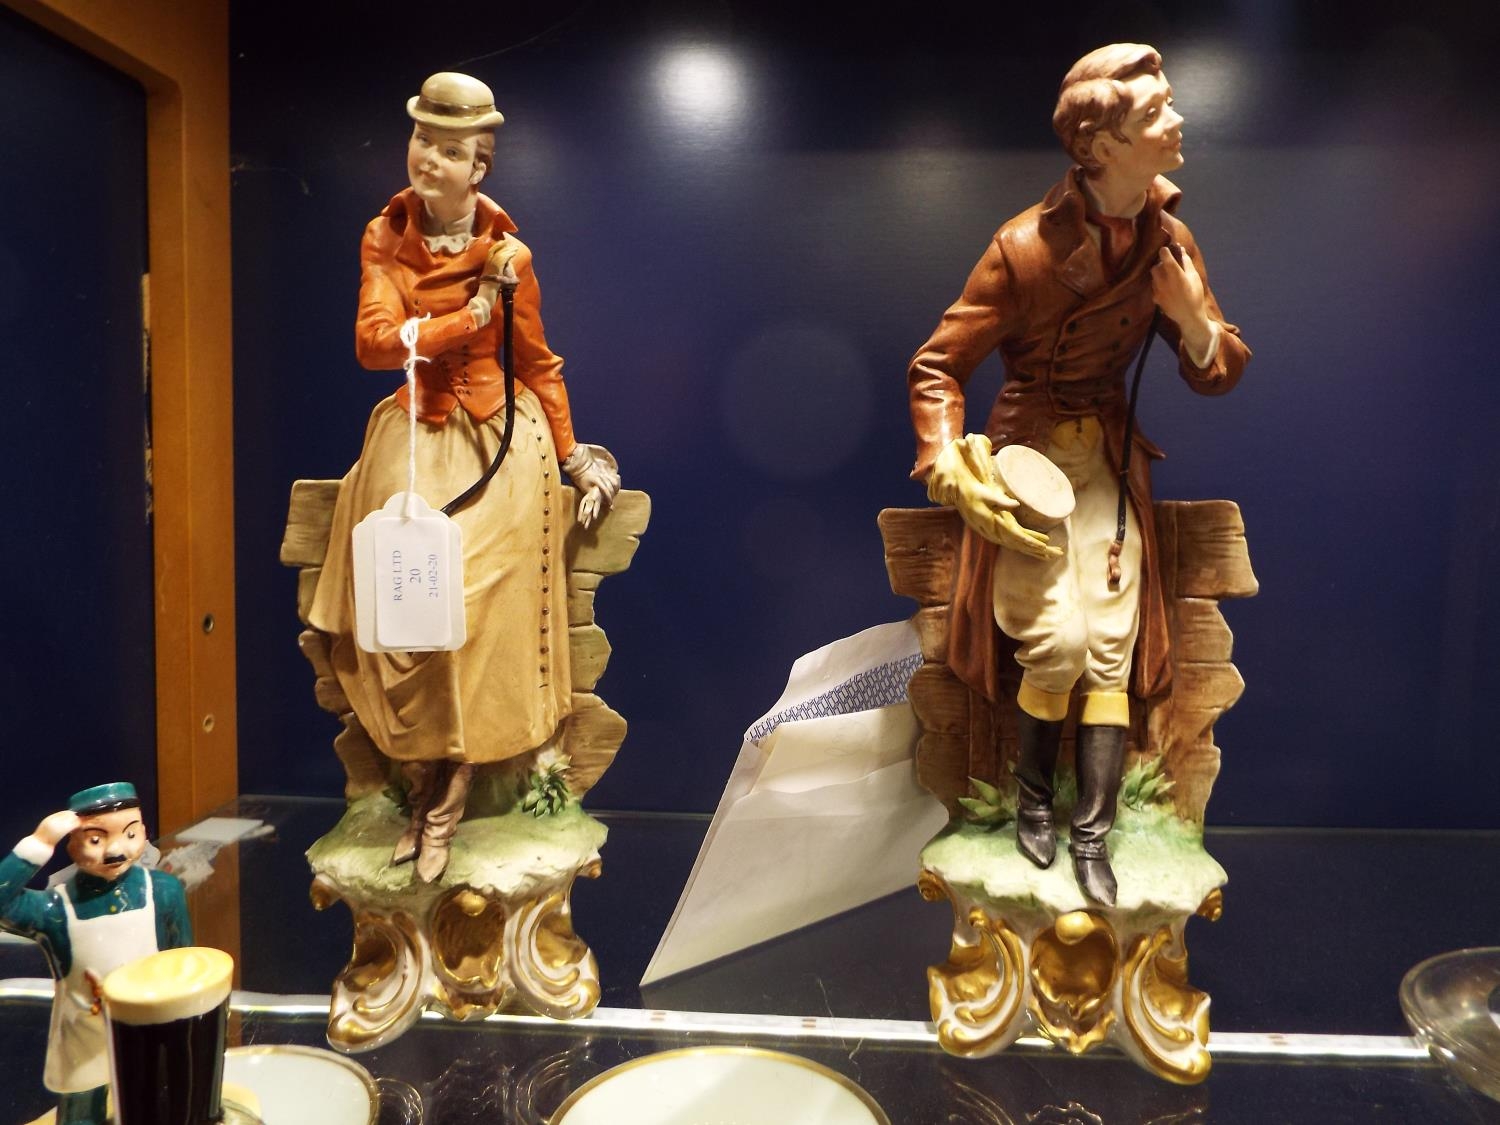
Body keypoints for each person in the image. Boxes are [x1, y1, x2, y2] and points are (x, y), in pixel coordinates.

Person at [907, 44, 1250, 905]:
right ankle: (1032, 800)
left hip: (1108, 462)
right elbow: (938, 366)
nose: (1177, 121)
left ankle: (1092, 832)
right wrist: (947, 458)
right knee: (1055, 641)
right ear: (1102, 145)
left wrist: (1194, 319)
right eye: (1155, 113)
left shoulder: (1168, 240)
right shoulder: (1023, 247)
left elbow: (1219, 368)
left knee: (1110, 648)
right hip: (1030, 462)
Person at [308, 72, 619, 883]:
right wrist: (466, 318)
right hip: (413, 434)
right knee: (397, 609)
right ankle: (418, 792)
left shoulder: (509, 256)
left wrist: (573, 451)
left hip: (495, 440)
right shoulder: (386, 236)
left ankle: (444, 805)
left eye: (449, 150)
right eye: (422, 140)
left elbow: (538, 363)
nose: (428, 160)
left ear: (478, 166)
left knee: (464, 608)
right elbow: (374, 343)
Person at [0, 783, 191, 1125]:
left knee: (150, 1107)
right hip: (84, 1036)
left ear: (144, 831)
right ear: (72, 843)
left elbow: (182, 961)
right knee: (81, 1113)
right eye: (96, 839)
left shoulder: (163, 892)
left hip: (146, 1029)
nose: (115, 850)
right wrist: (39, 844)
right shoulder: (56, 908)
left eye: (130, 834)